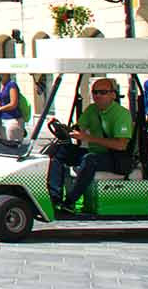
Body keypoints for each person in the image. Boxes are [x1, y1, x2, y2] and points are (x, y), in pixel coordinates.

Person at [46, 77, 132, 210]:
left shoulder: (122, 114)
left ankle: (69, 202)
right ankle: (54, 198)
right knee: (60, 152)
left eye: (102, 92)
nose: (97, 96)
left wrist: (88, 138)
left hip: (116, 158)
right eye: (95, 92)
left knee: (89, 159)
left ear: (113, 95)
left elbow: (121, 145)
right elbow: (79, 128)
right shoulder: (92, 110)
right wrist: (64, 129)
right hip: (95, 153)